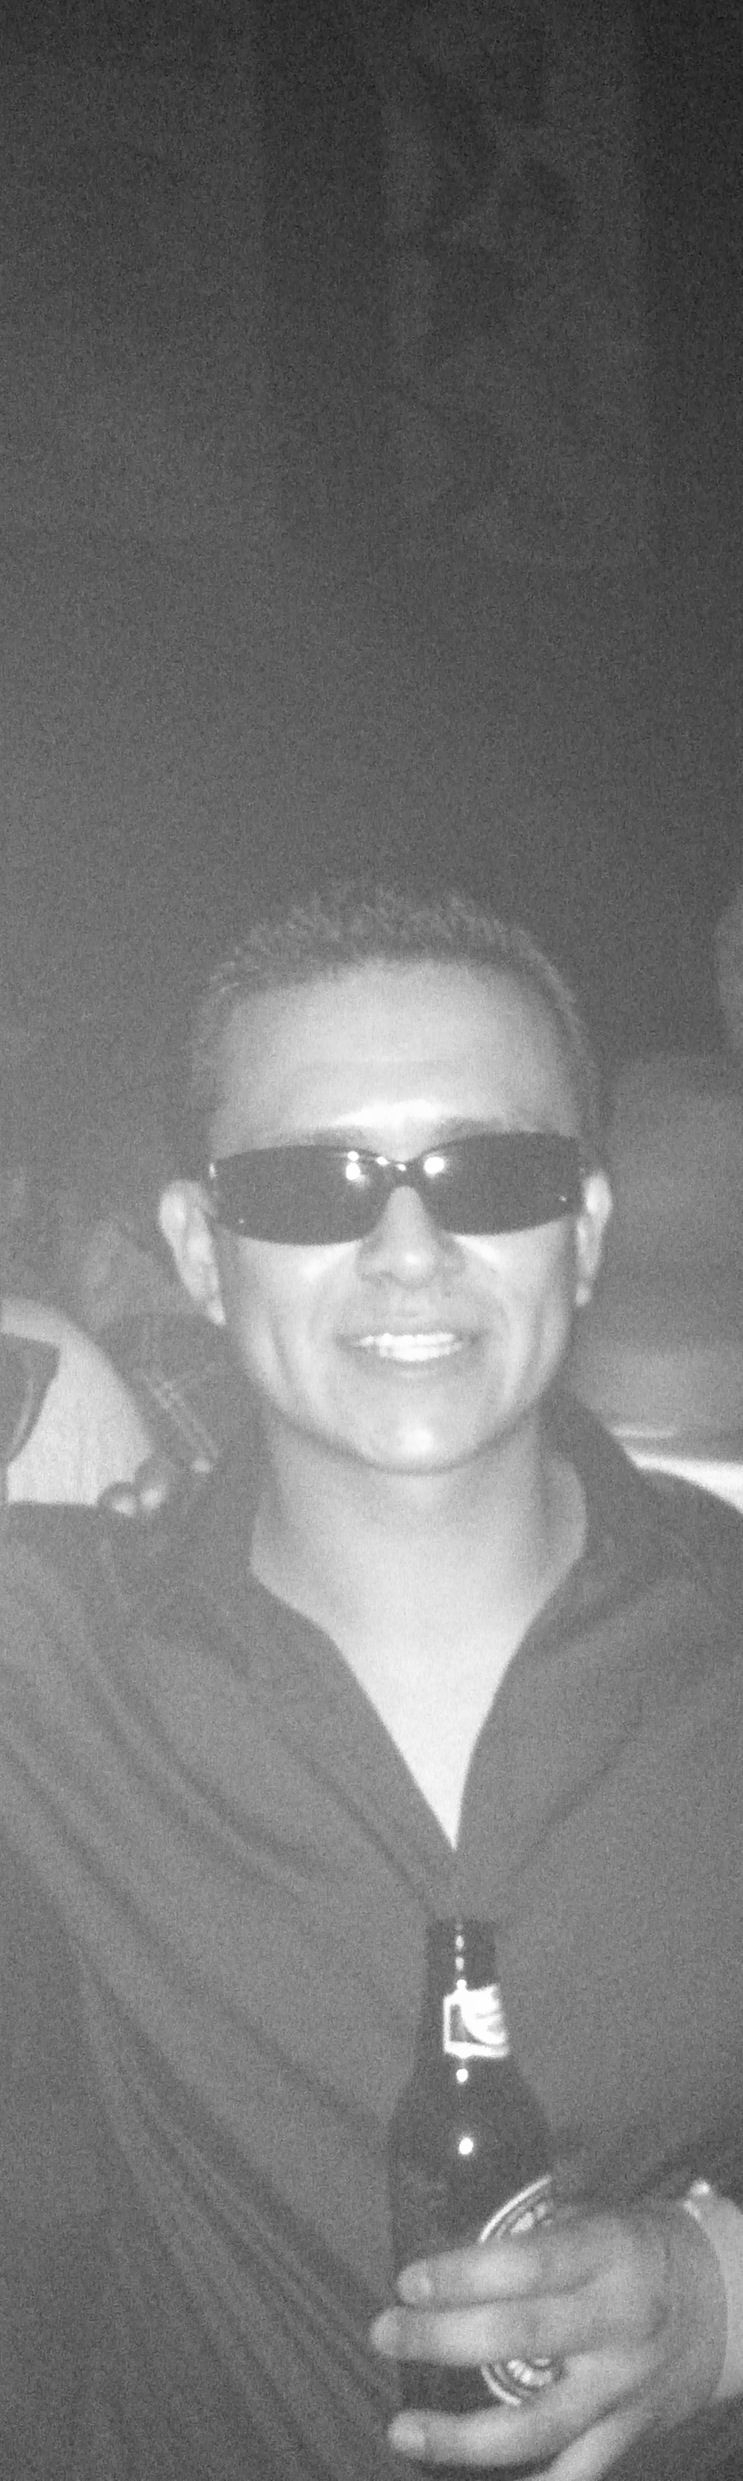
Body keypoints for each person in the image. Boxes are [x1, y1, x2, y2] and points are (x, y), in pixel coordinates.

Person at [0, 879, 742, 2480]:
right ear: (201, 1252)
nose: (409, 1246)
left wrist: (725, 2295)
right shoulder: (48, 1659)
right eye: (309, 1185)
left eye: (489, 1173)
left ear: (584, 1228)